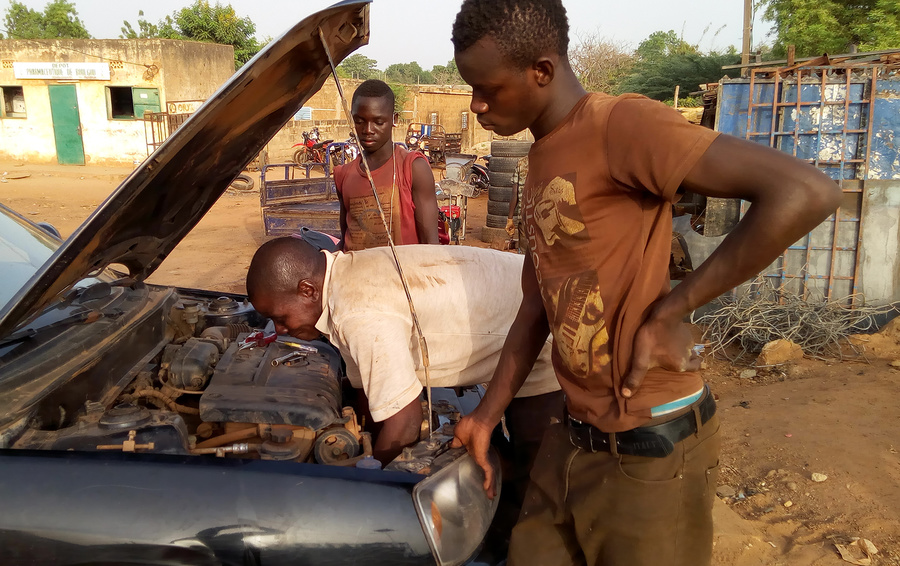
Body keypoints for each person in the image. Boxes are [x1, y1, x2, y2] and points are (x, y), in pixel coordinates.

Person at [448, 1, 842, 565]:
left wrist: (671, 310)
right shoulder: (540, 157)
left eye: (487, 88)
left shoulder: (620, 125)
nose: (476, 104)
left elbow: (806, 192)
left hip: (650, 447)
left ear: (541, 70)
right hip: (572, 437)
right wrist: (486, 416)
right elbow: (537, 305)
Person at [245, 237, 563, 466]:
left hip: (545, 329)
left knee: (536, 471)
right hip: (522, 298)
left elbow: (406, 422)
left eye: (280, 318)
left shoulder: (357, 313)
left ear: (307, 290)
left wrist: (369, 478)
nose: (279, 331)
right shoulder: (346, 275)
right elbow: (368, 394)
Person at [334, 79, 439, 251]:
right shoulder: (343, 174)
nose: (368, 129)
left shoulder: (413, 168)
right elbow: (346, 238)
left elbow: (430, 244)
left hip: (401, 275)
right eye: (360, 121)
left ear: (394, 119)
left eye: (378, 122)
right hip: (356, 275)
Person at [506, 156, 529, 255]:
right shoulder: (549, 161)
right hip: (544, 217)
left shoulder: (521, 163)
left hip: (524, 216)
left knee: (523, 256)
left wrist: (510, 219)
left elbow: (514, 192)